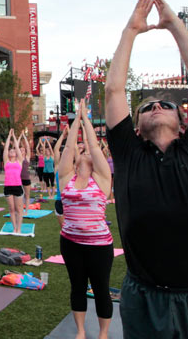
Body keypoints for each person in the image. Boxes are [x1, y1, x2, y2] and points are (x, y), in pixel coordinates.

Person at [104, 0, 188, 338]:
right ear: (136, 127)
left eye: (165, 104)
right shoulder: (129, 153)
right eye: (146, 107)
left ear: (183, 120)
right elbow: (114, 91)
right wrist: (131, 31)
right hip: (146, 297)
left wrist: (174, 25)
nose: (156, 106)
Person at [56, 99, 116, 339]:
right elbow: (69, 149)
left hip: (99, 246)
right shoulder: (66, 178)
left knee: (101, 289)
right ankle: (80, 331)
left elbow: (93, 144)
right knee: (77, 287)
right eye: (81, 151)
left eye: (89, 151)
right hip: (70, 242)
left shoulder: (101, 179)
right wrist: (75, 123)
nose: (85, 150)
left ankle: (103, 334)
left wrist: (85, 119)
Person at [1, 129, 25, 234]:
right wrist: (9, 136)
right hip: (8, 186)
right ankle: (14, 228)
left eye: (13, 150)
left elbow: (18, 150)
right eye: (11, 151)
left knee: (19, 209)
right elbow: (5, 149)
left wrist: (14, 137)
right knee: (11, 209)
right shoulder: (6, 162)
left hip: (17, 186)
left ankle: (19, 228)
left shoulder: (19, 161)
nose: (11, 151)